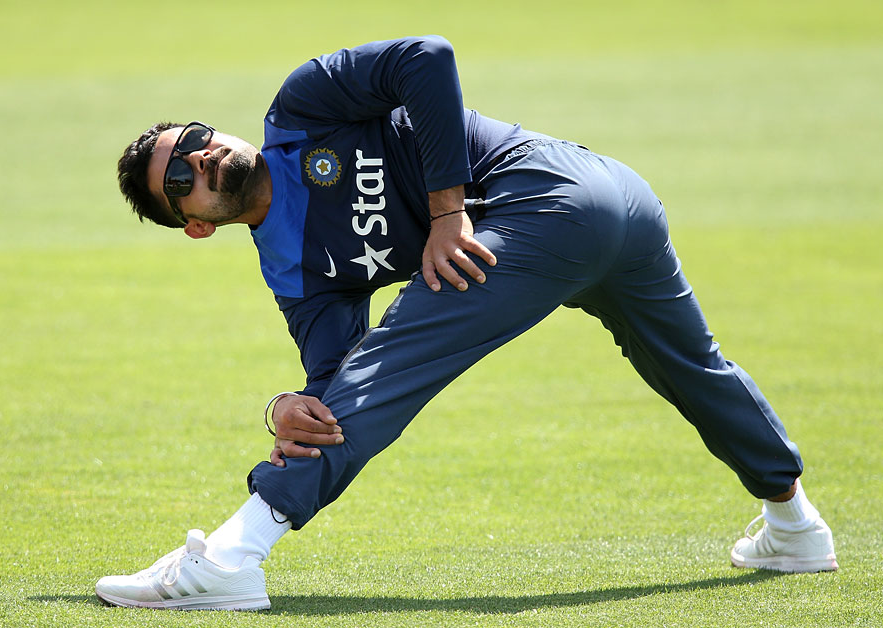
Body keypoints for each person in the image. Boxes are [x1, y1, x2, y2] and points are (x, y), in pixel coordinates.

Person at [96, 36, 837, 611]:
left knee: (686, 368)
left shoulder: (303, 108)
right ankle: (796, 529)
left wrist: (447, 213)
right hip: (586, 219)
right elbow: (343, 381)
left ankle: (231, 558)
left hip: (571, 193)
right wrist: (290, 406)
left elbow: (425, 57)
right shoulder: (293, 271)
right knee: (690, 368)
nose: (201, 158)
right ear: (195, 225)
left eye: (194, 138)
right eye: (180, 177)